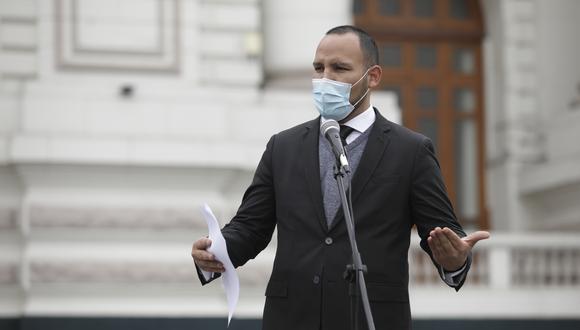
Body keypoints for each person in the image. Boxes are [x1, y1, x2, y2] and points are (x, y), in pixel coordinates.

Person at [191, 25, 490, 330]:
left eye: (339, 68)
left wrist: (455, 261)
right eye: (319, 68)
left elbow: (443, 236)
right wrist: (215, 250)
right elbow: (251, 227)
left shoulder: (411, 151)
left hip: (369, 318)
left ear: (372, 76)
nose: (325, 79)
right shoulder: (283, 146)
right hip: (292, 318)